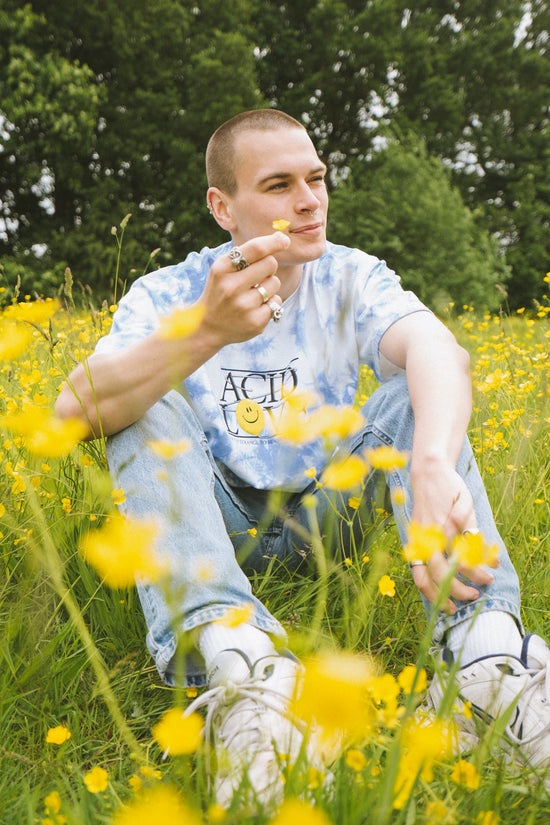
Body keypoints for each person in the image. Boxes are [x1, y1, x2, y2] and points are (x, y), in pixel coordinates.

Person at [56, 109, 550, 808]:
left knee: (417, 399)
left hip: (328, 514)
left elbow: (441, 352)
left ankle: (486, 662)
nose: (310, 199)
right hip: (213, 527)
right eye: (280, 184)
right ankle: (246, 675)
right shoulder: (167, 291)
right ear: (222, 206)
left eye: (316, 178)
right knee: (143, 404)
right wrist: (202, 333)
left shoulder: (350, 277)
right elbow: (70, 413)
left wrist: (433, 462)